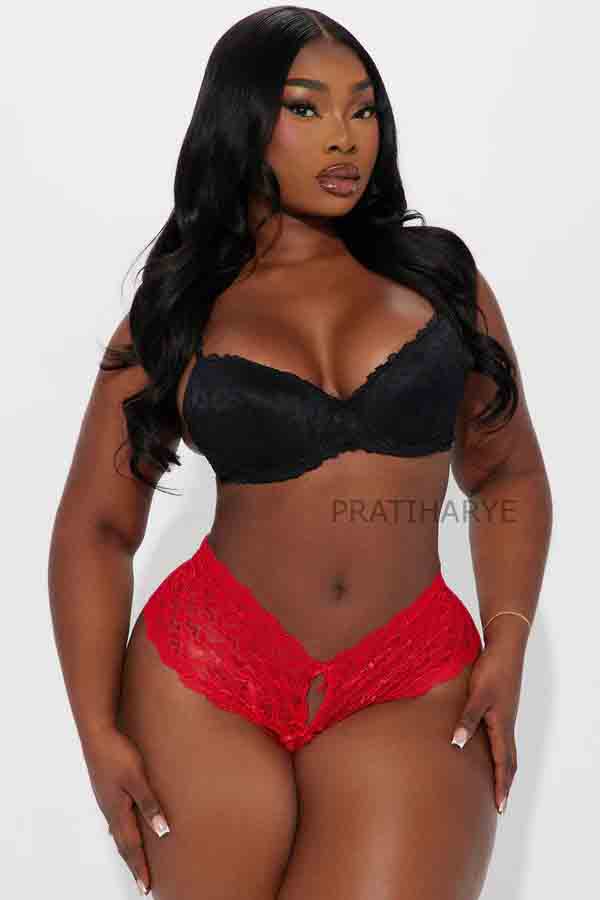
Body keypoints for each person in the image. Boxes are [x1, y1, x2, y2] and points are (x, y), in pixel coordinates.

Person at [48, 6, 553, 899]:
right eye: (306, 108)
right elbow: (96, 527)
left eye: (364, 109)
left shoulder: (441, 281)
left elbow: (506, 472)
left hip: (411, 673)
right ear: (242, 121)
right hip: (205, 675)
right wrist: (97, 733)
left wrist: (507, 641)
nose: (344, 137)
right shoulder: (178, 308)